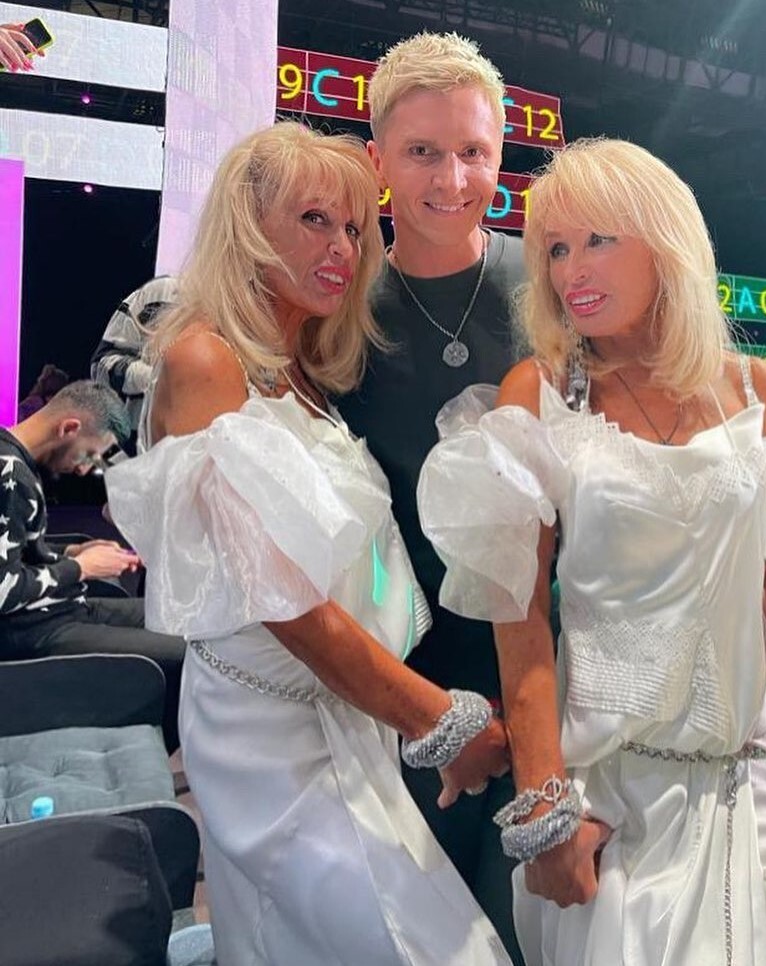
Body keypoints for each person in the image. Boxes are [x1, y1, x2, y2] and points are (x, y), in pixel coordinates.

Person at [419, 138, 766, 965]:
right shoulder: (541, 393)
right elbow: (519, 635)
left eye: (599, 239)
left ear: (664, 241)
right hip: (608, 809)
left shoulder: (751, 388)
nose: (570, 270)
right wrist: (545, 814)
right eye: (555, 248)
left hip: (755, 798)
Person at [106, 122, 512, 966]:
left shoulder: (303, 369)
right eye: (314, 220)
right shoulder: (206, 359)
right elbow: (282, 600)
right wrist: (438, 719)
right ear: (248, 226)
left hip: (342, 717)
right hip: (268, 731)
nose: (342, 249)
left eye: (355, 228)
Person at [336, 32, 526, 960]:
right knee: (426, 935)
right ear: (377, 159)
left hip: (560, 665)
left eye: (473, 151)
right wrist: (422, 711)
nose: (452, 179)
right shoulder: (337, 306)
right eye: (422, 151)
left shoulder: (552, 281)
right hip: (406, 678)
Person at [0, 380, 185, 750]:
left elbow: (15, 550)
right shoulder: (9, 474)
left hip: (62, 609)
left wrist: (74, 552)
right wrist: (82, 568)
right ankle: (161, 760)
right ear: (69, 428)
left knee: (179, 619)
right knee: (186, 656)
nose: (85, 470)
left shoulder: (16, 461)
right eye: (88, 455)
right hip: (30, 632)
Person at [91, 276, 178, 454]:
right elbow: (102, 363)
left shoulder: (236, 313)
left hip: (215, 457)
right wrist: (154, 379)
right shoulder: (161, 293)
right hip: (141, 452)